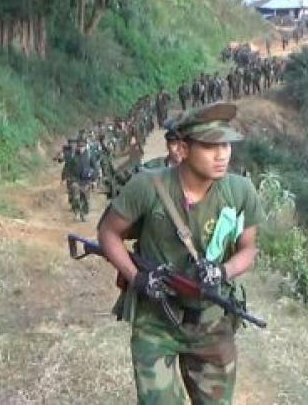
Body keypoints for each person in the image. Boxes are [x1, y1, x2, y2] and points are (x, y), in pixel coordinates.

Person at [98, 102, 265, 404]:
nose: (222, 154)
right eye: (210, 146)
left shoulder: (240, 191)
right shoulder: (148, 186)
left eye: (226, 144)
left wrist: (222, 271)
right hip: (156, 319)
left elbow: (248, 249)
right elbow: (108, 232)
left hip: (212, 322)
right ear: (184, 149)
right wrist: (138, 278)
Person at [62, 136, 101, 221]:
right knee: (75, 197)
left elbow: (95, 168)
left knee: (85, 199)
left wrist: (94, 180)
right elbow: (67, 167)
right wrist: (65, 177)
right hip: (75, 180)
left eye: (82, 146)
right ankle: (76, 213)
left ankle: (83, 214)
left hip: (86, 181)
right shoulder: (73, 155)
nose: (80, 148)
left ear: (85, 146)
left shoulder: (90, 155)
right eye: (79, 146)